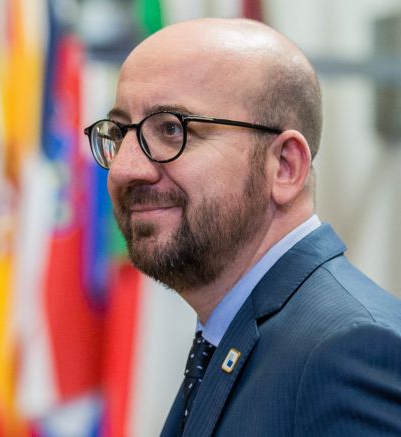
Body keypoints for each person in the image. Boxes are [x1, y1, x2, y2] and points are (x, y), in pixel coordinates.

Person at [84, 17, 401, 436]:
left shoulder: (347, 352)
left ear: (284, 166)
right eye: (120, 132)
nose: (124, 169)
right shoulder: (233, 334)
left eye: (171, 129)